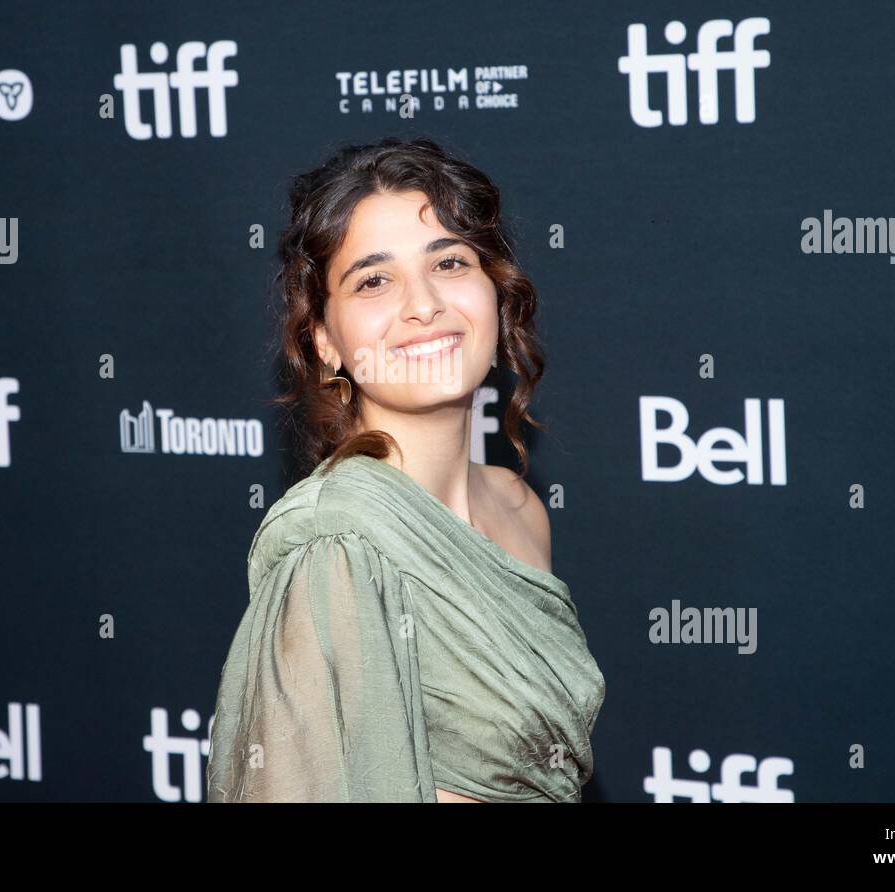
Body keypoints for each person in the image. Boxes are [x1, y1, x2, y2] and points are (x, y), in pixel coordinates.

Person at [205, 136, 605, 802]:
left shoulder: (519, 506)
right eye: (374, 279)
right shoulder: (336, 545)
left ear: (496, 297)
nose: (424, 304)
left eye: (449, 262)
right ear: (325, 339)